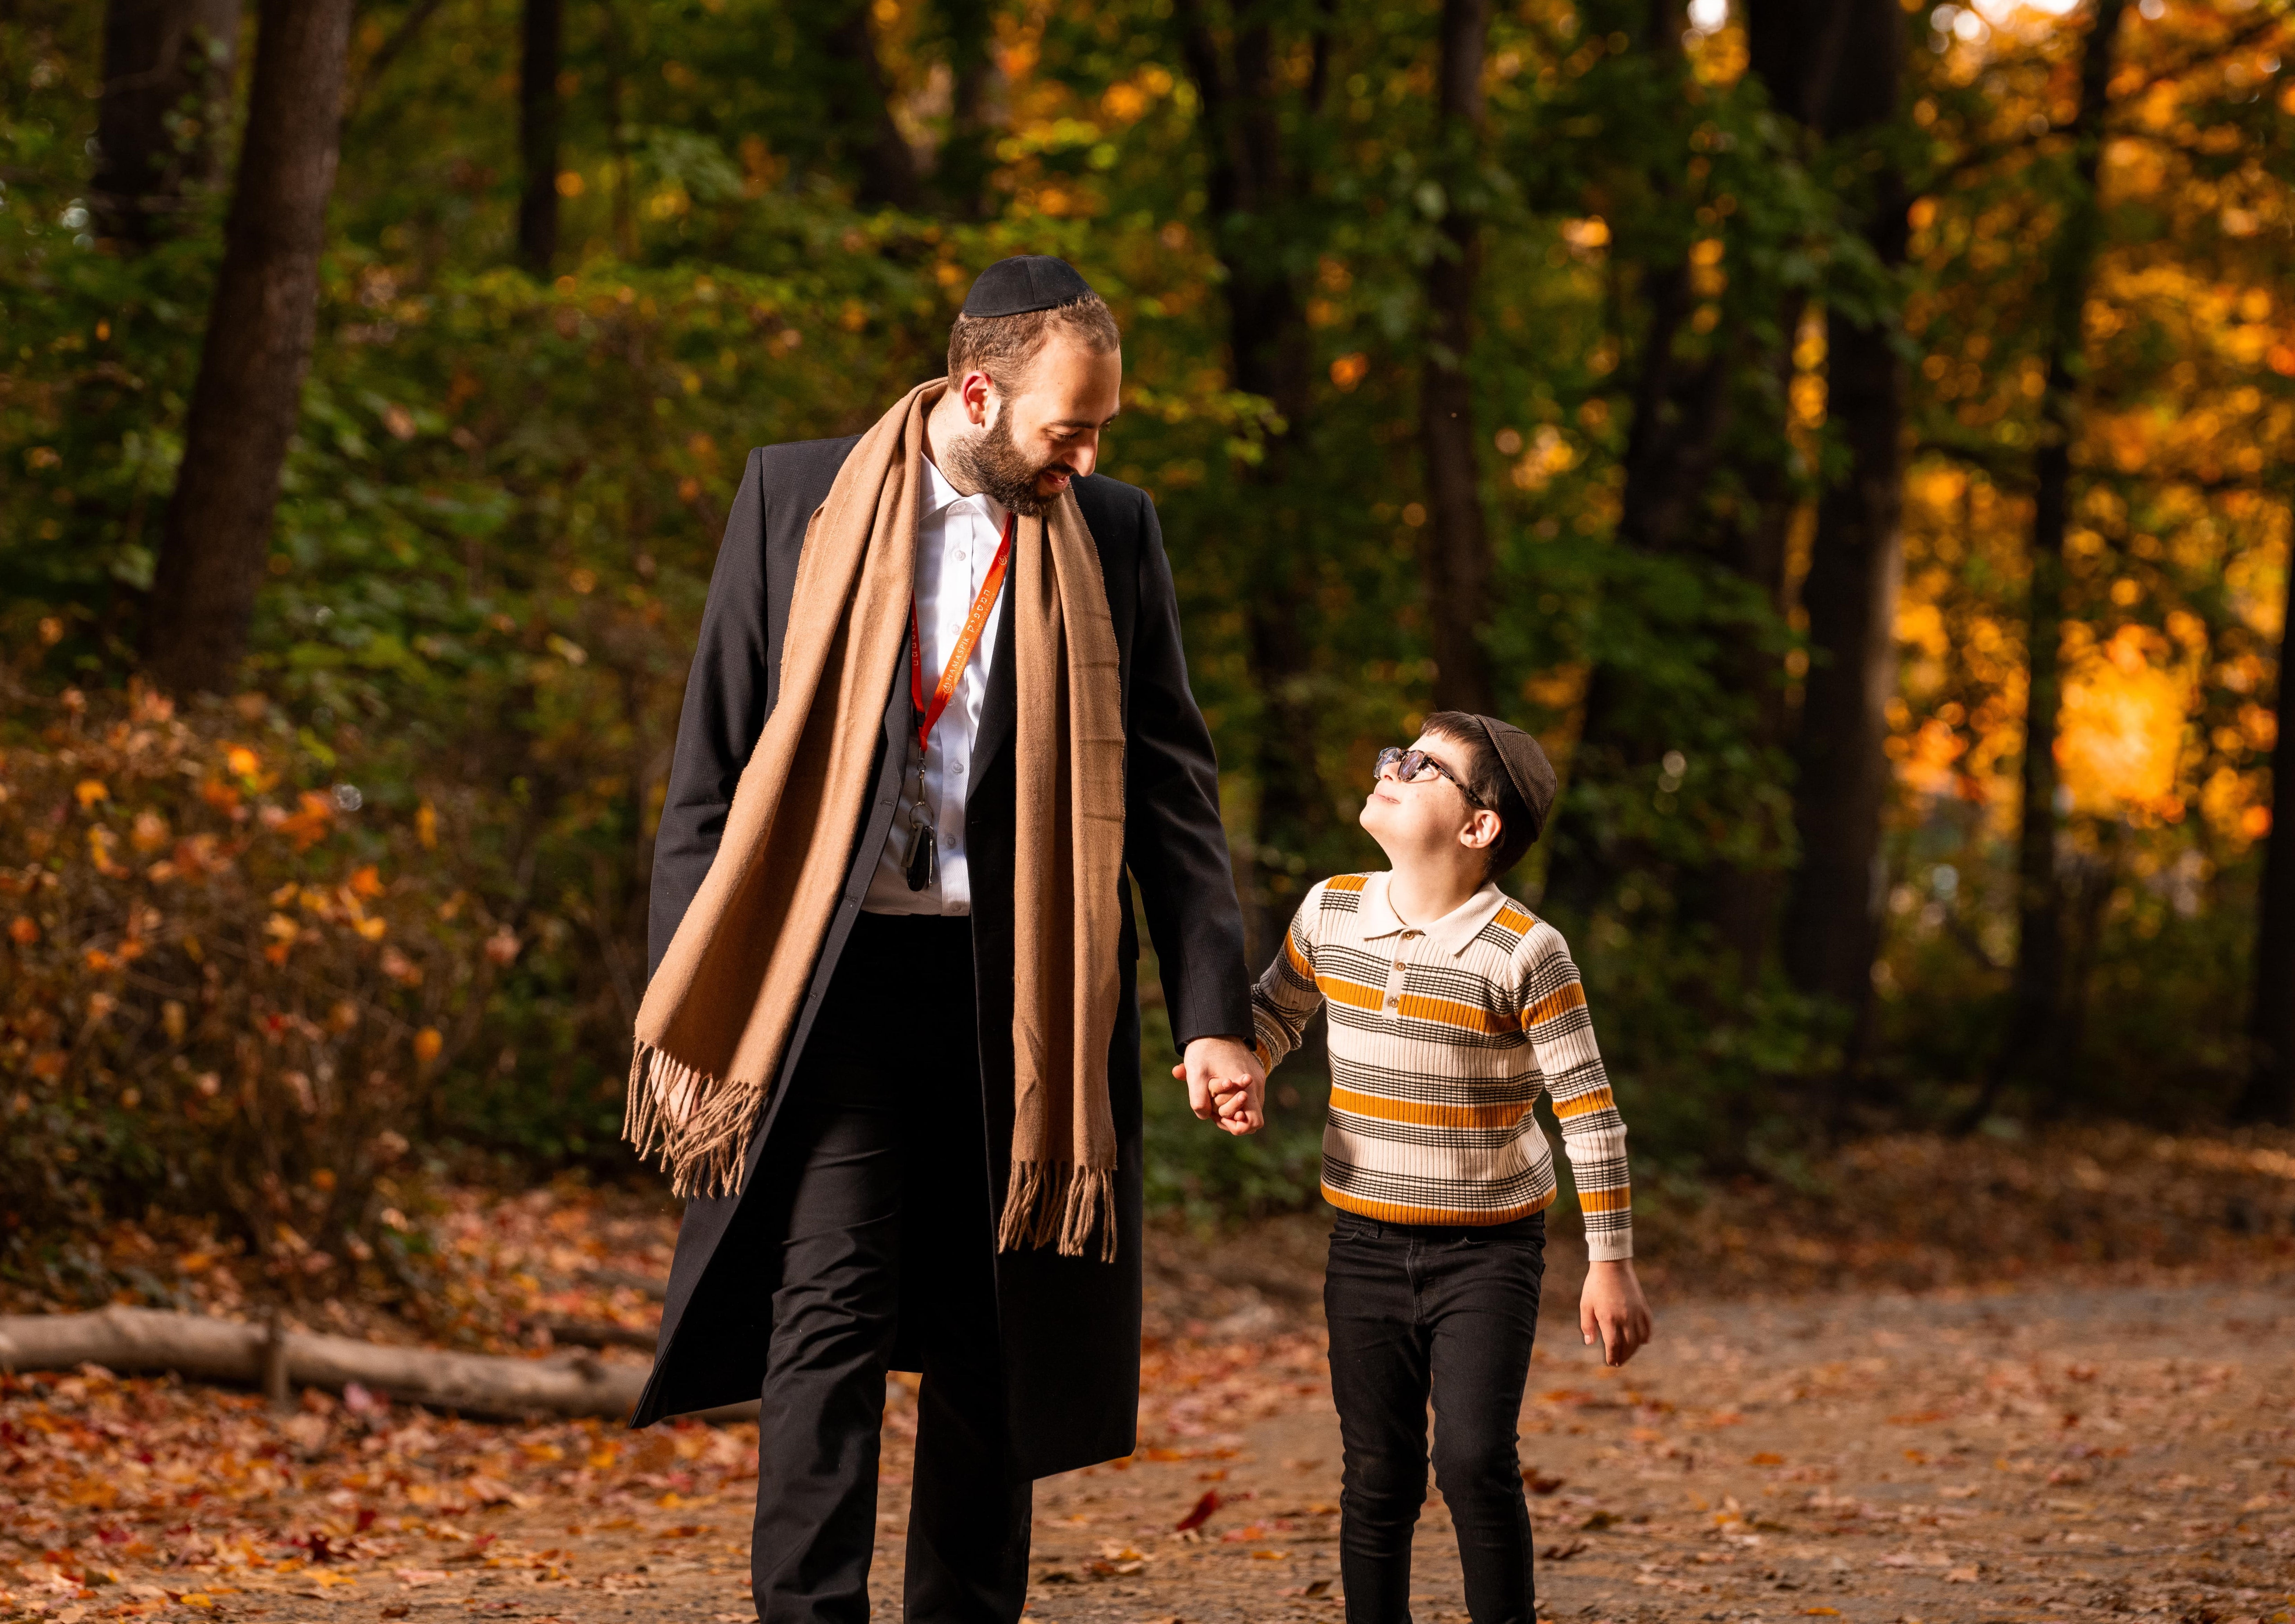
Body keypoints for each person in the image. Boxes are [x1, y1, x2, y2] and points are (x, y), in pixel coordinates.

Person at [625, 254, 1266, 1624]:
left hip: (1020, 988)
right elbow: (715, 767)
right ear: (978, 393)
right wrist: (697, 1002)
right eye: (1067, 429)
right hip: (835, 986)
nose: (1085, 457)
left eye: (1101, 434)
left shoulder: (1115, 532)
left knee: (996, 1339)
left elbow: (1169, 788)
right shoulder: (796, 498)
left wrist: (1210, 1008)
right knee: (829, 1312)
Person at [1243, 712, 1654, 1624]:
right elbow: (1275, 1013)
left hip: (1487, 1250)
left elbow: (1588, 1110)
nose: (1392, 766)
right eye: (1397, 752)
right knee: (1376, 1473)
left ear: (1478, 827)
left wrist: (1610, 1260)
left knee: (1471, 1459)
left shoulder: (1524, 951)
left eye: (1424, 767)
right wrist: (1240, 1062)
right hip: (1362, 1242)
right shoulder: (1330, 910)